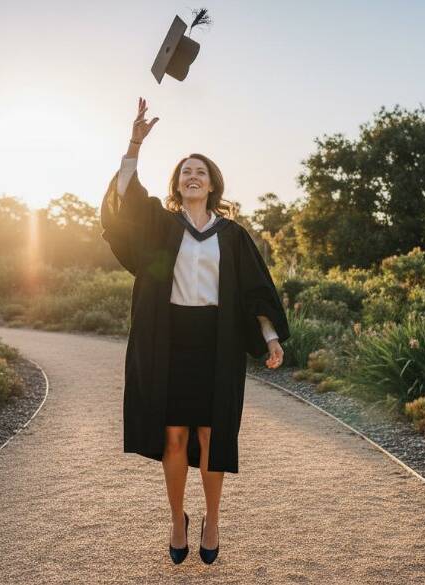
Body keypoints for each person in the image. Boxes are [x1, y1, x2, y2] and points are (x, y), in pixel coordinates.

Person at [100, 97, 290, 565]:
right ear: (177, 184)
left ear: (212, 184)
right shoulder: (162, 226)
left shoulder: (232, 235)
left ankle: (213, 519)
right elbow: (124, 203)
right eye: (185, 171)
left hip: (217, 342)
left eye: (200, 171)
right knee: (174, 438)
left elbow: (254, 292)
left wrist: (269, 337)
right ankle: (176, 518)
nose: (192, 176)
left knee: (211, 435)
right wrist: (134, 144)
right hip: (170, 340)